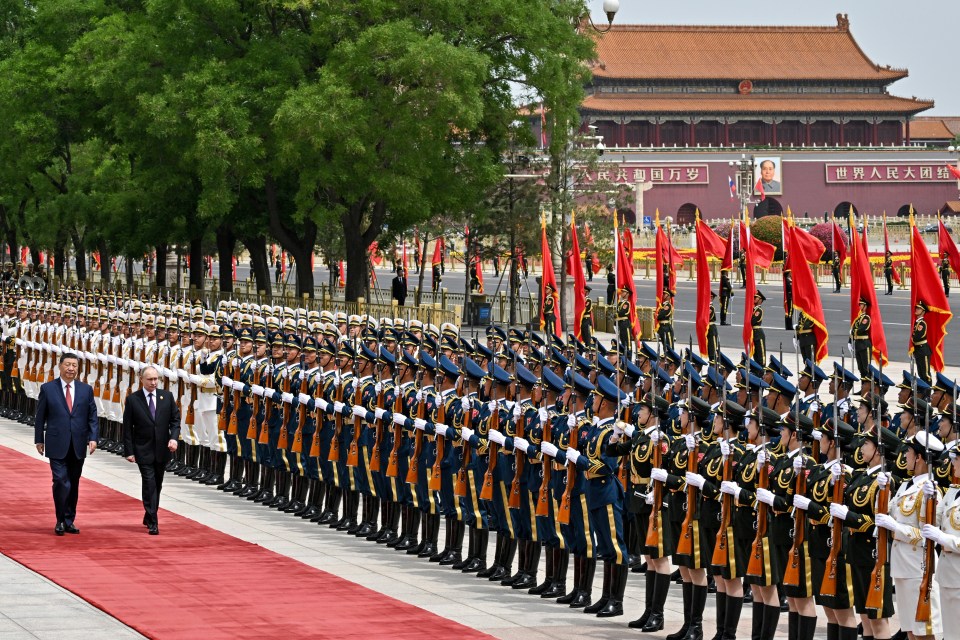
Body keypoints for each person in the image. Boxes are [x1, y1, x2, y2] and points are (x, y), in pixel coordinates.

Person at [33, 352, 99, 536]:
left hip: (78, 443)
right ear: (60, 366)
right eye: (68, 365)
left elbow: (92, 416)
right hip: (56, 442)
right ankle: (60, 519)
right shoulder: (48, 389)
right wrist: (39, 439)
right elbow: (40, 417)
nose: (71, 369)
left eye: (74, 366)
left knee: (74, 482)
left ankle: (69, 520)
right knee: (61, 481)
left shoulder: (86, 389)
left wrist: (93, 438)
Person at [122, 365, 181, 535]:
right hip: (143, 449)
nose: (154, 382)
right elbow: (127, 428)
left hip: (162, 449)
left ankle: (149, 513)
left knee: (158, 484)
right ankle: (154, 520)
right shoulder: (133, 399)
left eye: (156, 379)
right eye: (150, 379)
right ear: (141, 380)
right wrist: (129, 451)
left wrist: (173, 438)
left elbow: (175, 420)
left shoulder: (167, 397)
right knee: (149, 483)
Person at [913, 300, 932, 385]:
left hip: (923, 350)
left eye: (919, 309)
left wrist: (912, 338)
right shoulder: (917, 322)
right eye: (916, 308)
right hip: (918, 350)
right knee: (920, 373)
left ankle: (927, 395)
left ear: (923, 311)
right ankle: (923, 393)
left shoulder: (922, 323)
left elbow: (917, 337)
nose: (916, 309)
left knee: (926, 374)